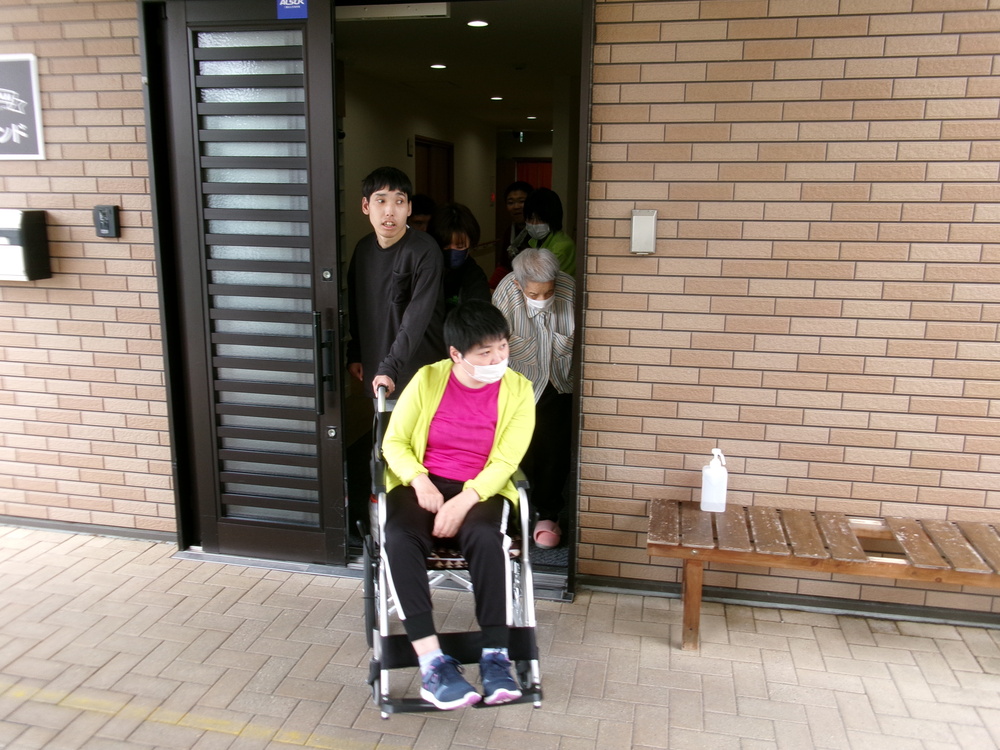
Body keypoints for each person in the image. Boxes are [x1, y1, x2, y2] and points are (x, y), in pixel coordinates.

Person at [381, 300, 536, 709]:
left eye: (502, 346)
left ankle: (495, 658)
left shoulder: (519, 390)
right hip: (423, 481)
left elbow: (506, 461)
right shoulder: (427, 379)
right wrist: (420, 481)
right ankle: (432, 664)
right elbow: (393, 442)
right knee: (398, 537)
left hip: (481, 487)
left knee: (486, 537)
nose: (498, 359)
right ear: (456, 354)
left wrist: (465, 500)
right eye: (485, 352)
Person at [492, 248, 574, 550]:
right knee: (517, 451)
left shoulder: (570, 290)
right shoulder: (505, 293)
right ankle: (514, 518)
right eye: (534, 294)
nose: (542, 299)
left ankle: (548, 515)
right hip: (518, 385)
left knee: (554, 453)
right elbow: (495, 347)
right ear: (518, 284)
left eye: (548, 292)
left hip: (558, 383)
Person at [346, 167, 445, 401]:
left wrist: (391, 366)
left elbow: (416, 317)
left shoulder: (424, 250)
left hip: (419, 371)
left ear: (409, 208)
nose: (390, 211)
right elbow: (357, 306)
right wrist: (355, 353)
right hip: (378, 371)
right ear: (366, 206)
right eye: (381, 201)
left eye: (399, 201)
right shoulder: (363, 250)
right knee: (384, 424)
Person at [429, 202, 491, 312]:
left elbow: (479, 313)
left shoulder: (475, 276)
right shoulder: (425, 270)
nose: (452, 251)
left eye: (460, 246)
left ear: (470, 245)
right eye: (446, 246)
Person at [523, 187, 575, 276]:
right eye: (530, 218)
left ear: (553, 219)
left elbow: (541, 279)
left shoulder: (562, 247)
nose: (534, 224)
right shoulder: (535, 241)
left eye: (540, 219)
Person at [490, 181, 533, 287]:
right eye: (510, 203)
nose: (516, 206)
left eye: (521, 201)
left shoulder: (537, 232)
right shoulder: (509, 231)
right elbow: (504, 265)